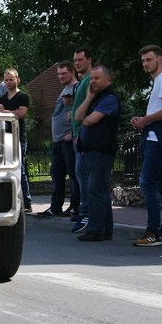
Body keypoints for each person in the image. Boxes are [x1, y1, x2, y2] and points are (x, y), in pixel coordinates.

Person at [130, 45, 162, 246]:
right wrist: (145, 119)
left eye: (149, 60)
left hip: (157, 138)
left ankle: (153, 233)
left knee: (147, 184)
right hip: (160, 135)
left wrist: (145, 120)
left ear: (159, 59)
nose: (145, 64)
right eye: (143, 61)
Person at [73, 65, 121, 241]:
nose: (92, 81)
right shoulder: (95, 98)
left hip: (101, 151)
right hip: (91, 151)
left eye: (97, 78)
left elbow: (91, 120)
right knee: (99, 191)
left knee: (95, 191)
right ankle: (105, 230)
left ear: (108, 79)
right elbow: (78, 117)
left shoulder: (109, 98)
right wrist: (88, 98)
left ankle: (96, 230)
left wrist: (86, 120)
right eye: (91, 78)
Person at [38, 61, 80, 216]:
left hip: (67, 139)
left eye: (64, 73)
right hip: (57, 141)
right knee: (56, 175)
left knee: (73, 175)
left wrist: (73, 133)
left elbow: (78, 112)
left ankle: (75, 207)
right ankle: (55, 207)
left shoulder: (77, 88)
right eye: (59, 74)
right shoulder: (64, 90)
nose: (61, 76)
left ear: (72, 72)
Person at [0, 68, 33, 212]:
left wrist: (5, 112)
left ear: (18, 80)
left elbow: (22, 113)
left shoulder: (22, 96)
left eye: (11, 79)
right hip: (4, 138)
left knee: (21, 169)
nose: (9, 82)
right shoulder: (1, 98)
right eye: (6, 80)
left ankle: (27, 202)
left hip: (19, 138)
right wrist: (9, 113)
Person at [70, 47, 93, 233]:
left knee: (83, 175)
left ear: (89, 60)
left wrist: (81, 133)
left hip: (83, 135)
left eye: (80, 60)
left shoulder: (90, 80)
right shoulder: (82, 81)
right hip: (78, 133)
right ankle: (84, 211)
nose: (77, 63)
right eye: (75, 60)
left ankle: (86, 213)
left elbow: (90, 106)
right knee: (80, 175)